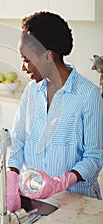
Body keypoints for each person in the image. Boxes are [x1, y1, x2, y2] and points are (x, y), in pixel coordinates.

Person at [7, 11, 103, 212]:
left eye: (26, 59)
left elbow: (94, 157)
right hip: (37, 200)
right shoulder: (31, 91)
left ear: (48, 56)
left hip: (78, 203)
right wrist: (11, 175)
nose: (23, 67)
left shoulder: (88, 95)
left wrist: (61, 182)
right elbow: (17, 140)